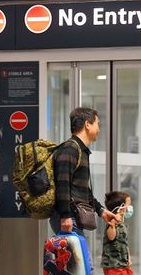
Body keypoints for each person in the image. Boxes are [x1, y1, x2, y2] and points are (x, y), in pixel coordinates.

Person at [49, 107, 120, 268]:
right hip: (68, 217)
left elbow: (83, 191)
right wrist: (65, 216)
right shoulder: (70, 149)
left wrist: (101, 211)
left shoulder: (80, 150)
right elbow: (63, 184)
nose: (99, 128)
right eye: (97, 124)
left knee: (78, 269)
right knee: (82, 268)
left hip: (72, 217)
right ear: (87, 124)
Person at [101, 191, 133, 275]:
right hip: (113, 266)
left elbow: (125, 243)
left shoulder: (122, 224)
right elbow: (111, 237)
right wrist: (113, 224)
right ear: (121, 207)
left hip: (123, 265)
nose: (130, 208)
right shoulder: (111, 223)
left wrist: (128, 257)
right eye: (128, 205)